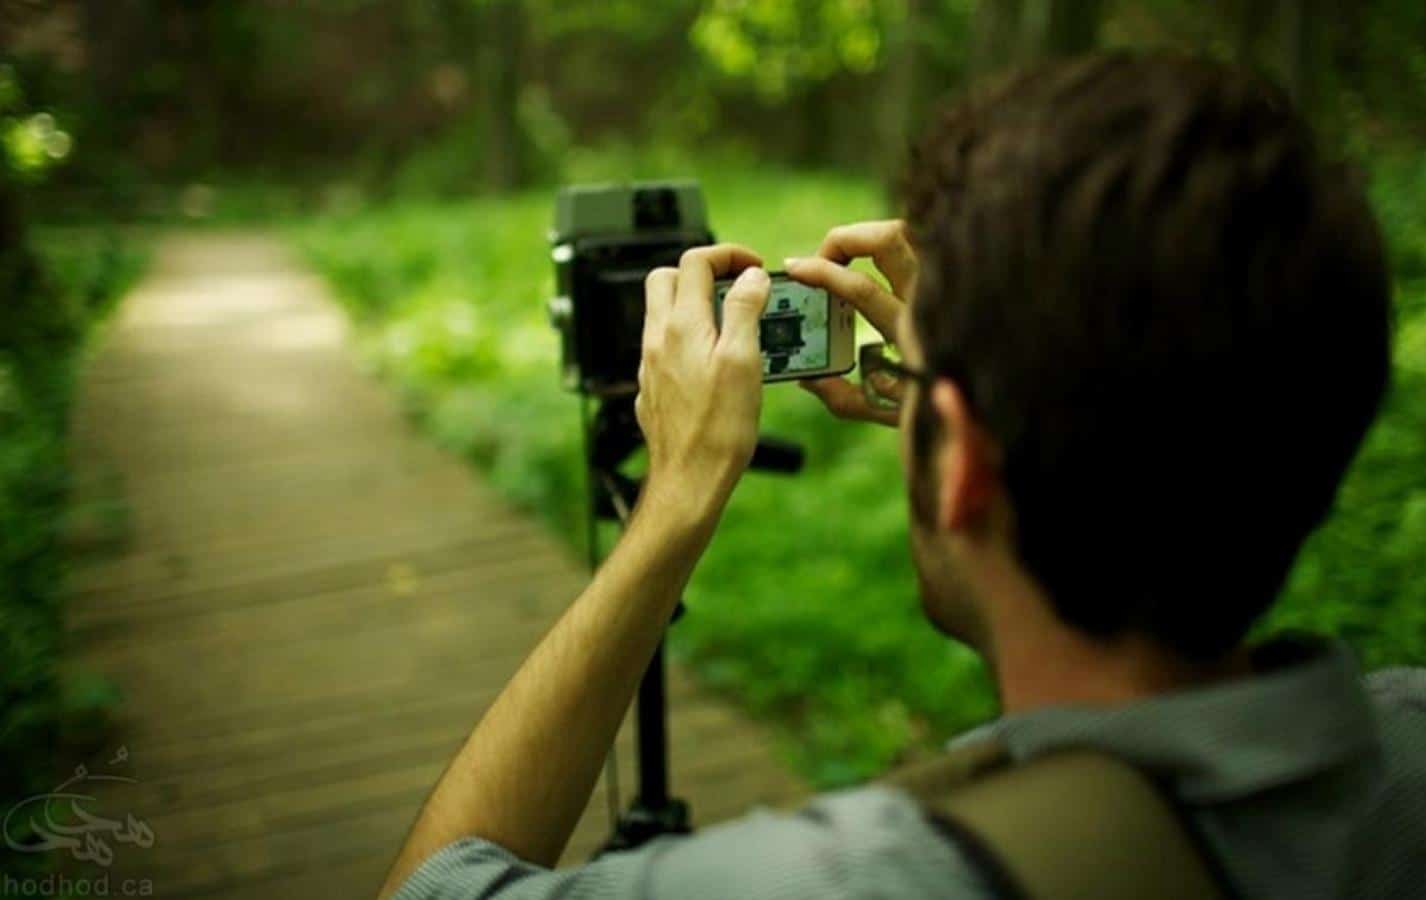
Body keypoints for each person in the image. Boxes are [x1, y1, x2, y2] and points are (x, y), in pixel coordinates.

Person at [379, 54, 1424, 899]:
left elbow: (427, 887)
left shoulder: (850, 880)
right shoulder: (1400, 754)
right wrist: (971, 444)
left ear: (963, 460)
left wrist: (671, 507)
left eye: (913, 380)